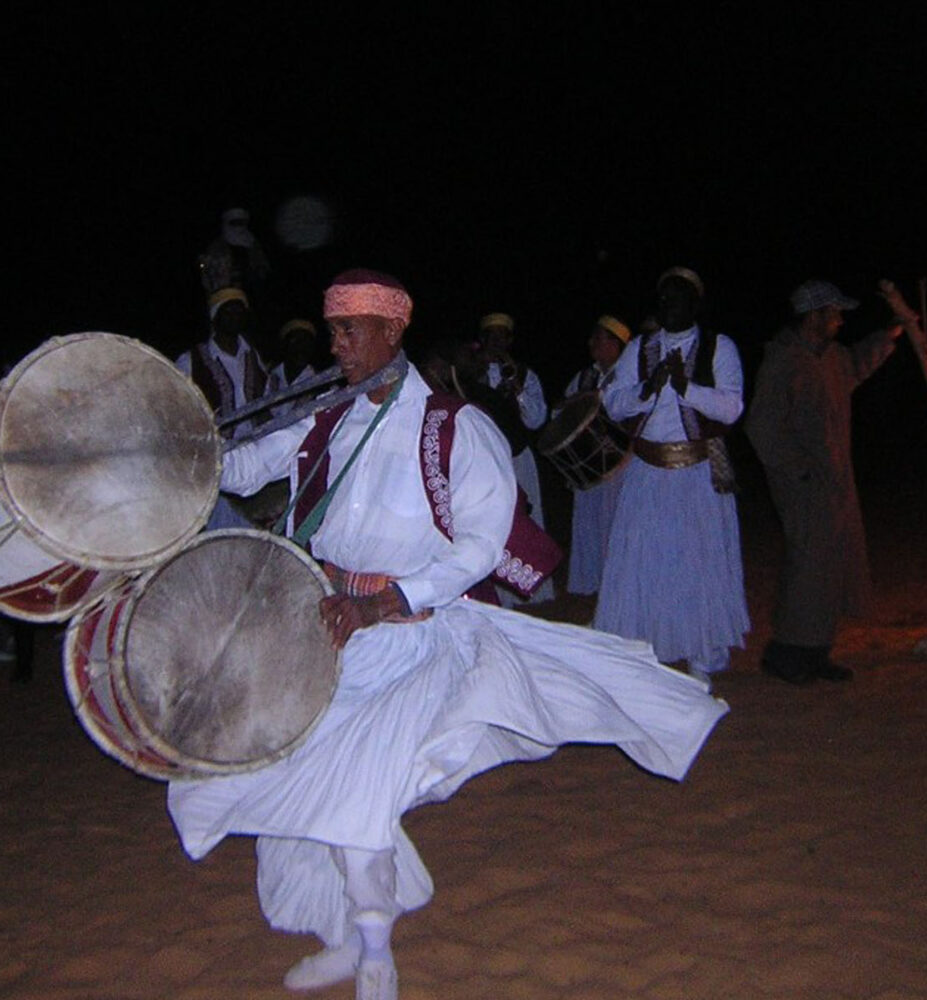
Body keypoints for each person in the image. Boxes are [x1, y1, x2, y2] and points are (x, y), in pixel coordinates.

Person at [168, 269, 726, 1000]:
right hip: (327, 634)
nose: (336, 346)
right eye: (332, 330)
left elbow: (480, 547)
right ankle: (345, 936)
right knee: (302, 788)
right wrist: (179, 455)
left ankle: (374, 953)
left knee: (355, 789)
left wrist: (385, 602)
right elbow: (244, 466)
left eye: (349, 331)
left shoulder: (455, 428)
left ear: (392, 332)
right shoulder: (326, 419)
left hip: (408, 638)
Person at [595, 268, 750, 687]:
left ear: (695, 305)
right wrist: (646, 390)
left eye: (677, 299)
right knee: (647, 566)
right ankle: (649, 655)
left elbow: (732, 408)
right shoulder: (641, 348)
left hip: (698, 476)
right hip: (647, 475)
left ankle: (703, 661)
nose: (669, 307)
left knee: (699, 568)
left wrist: (687, 389)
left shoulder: (719, 347)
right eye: (663, 300)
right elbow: (613, 403)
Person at [745, 279, 904, 684]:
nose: (839, 319)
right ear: (813, 316)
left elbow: (856, 366)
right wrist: (798, 469)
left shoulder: (830, 358)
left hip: (835, 478)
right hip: (802, 482)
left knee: (832, 564)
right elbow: (762, 425)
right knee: (809, 564)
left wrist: (889, 335)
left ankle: (817, 651)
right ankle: (786, 652)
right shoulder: (784, 362)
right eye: (833, 312)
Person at [473, 312, 554, 605]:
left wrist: (516, 390)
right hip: (481, 465)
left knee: (525, 523)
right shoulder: (468, 372)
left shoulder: (523, 374)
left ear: (509, 341)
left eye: (501, 337)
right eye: (490, 337)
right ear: (481, 341)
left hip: (516, 457)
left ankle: (529, 590)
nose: (496, 343)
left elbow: (536, 419)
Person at [177, 286, 272, 528]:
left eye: (239, 311)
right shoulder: (191, 360)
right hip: (212, 455)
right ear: (215, 317)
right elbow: (179, 412)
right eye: (228, 311)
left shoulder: (254, 357)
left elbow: (266, 403)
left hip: (253, 452)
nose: (234, 317)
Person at [556, 315, 630, 595]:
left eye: (598, 338)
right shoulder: (584, 376)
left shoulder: (627, 376)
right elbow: (562, 412)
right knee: (591, 527)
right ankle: (597, 589)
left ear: (616, 344)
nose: (591, 343)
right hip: (589, 467)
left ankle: (617, 590)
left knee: (615, 527)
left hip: (621, 465)